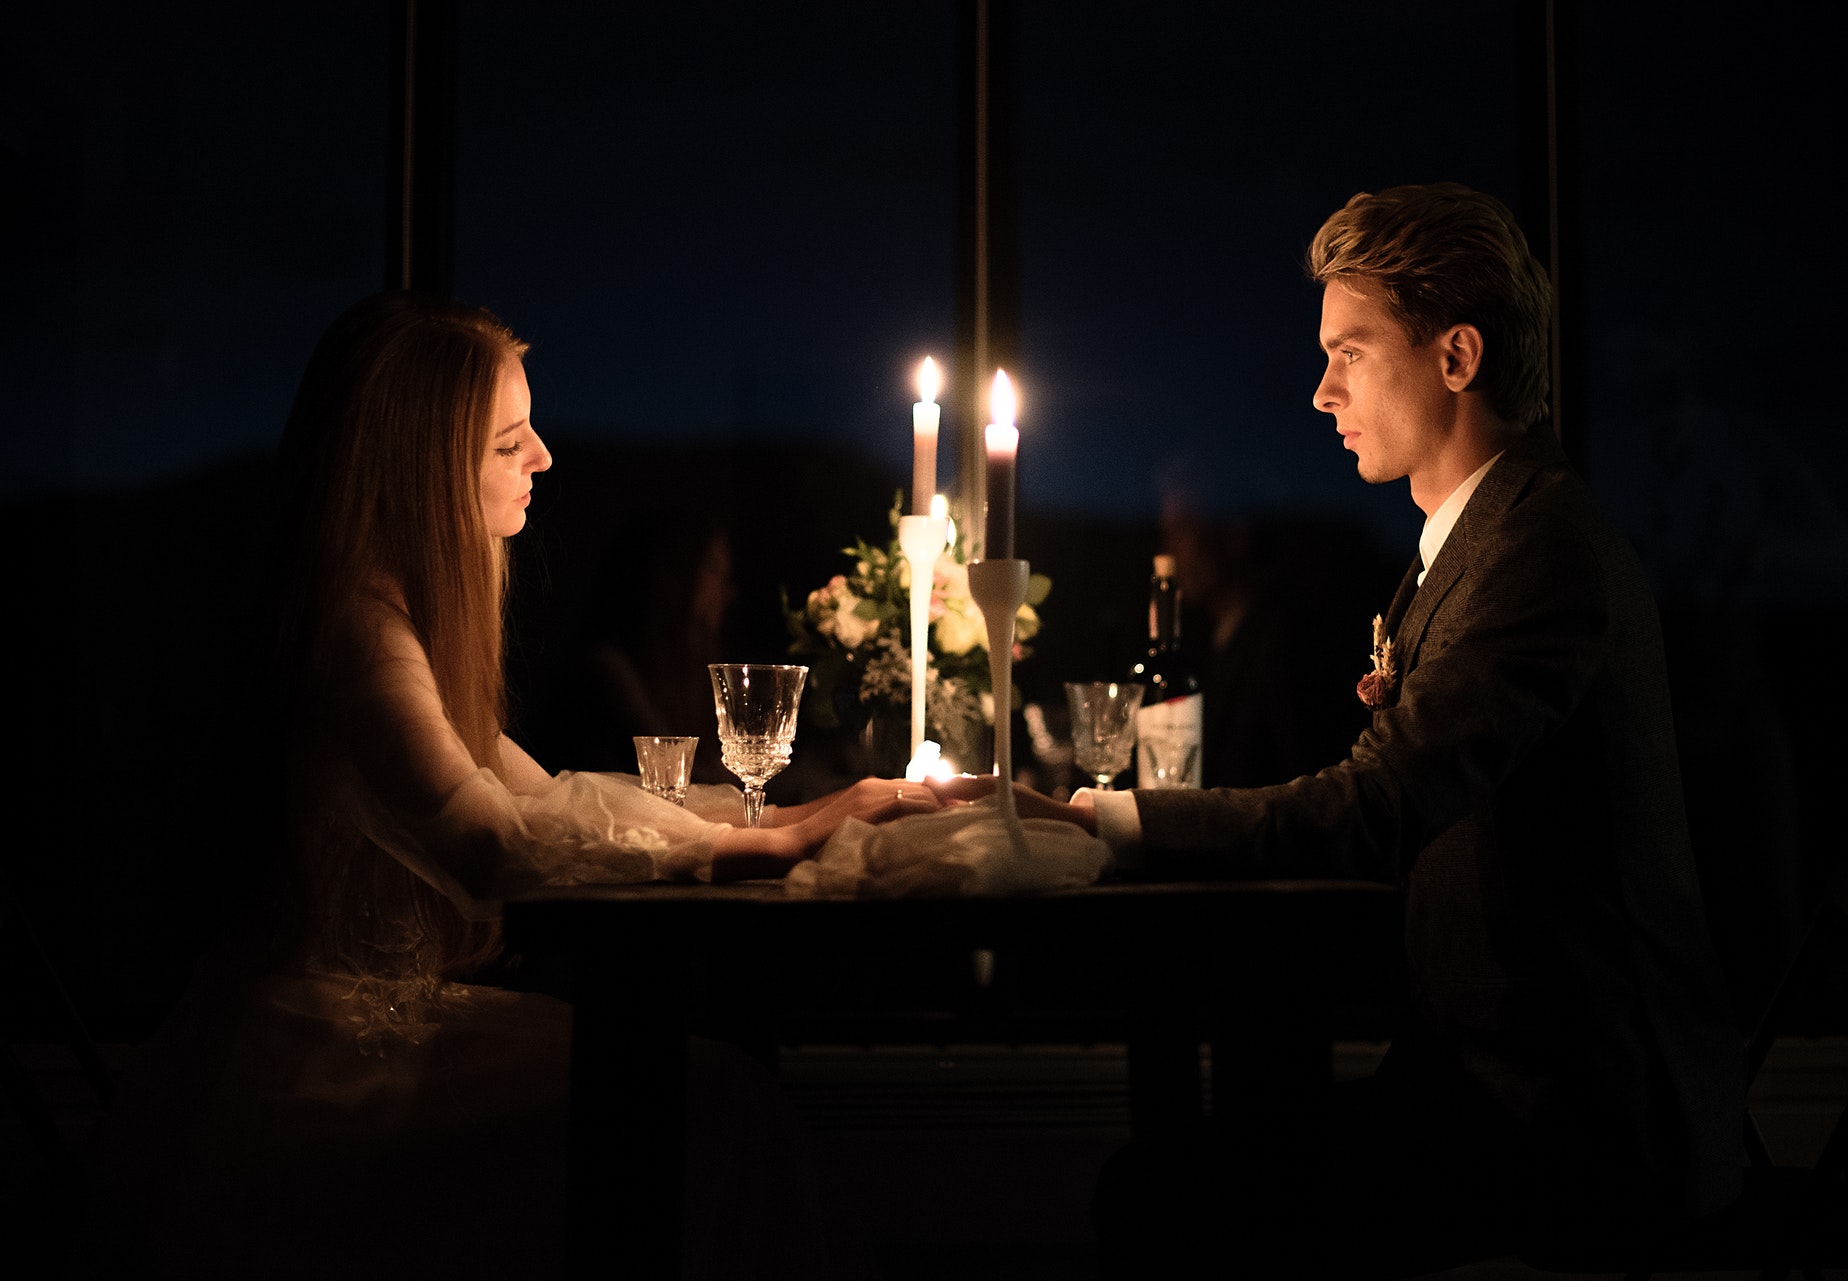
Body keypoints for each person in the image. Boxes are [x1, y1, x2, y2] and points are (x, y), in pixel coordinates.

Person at [934, 183, 1747, 1277]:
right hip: (1486, 1076)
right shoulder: (1472, 541)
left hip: (1577, 1118)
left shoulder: (1540, 551)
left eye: (1353, 352)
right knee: (1195, 1168)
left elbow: (1379, 805)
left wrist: (1101, 817)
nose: (1323, 392)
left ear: (1457, 357)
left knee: (1164, 1198)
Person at [87, 291, 935, 1280]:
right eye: (508, 442)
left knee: (711, 1092)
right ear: (428, 466)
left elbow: (546, 797)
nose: (542, 459)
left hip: (360, 1035)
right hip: (313, 1070)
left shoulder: (395, 612)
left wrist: (766, 814)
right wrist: (757, 840)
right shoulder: (358, 630)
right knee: (716, 1100)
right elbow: (489, 841)